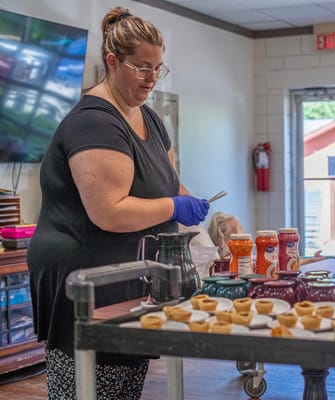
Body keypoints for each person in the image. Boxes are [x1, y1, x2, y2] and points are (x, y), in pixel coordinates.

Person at [26, 7, 210, 399]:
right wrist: (174, 208)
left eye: (158, 68)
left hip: (129, 272)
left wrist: (186, 199)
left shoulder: (151, 118)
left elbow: (168, 182)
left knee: (125, 381)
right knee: (91, 385)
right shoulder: (95, 122)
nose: (151, 78)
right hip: (86, 274)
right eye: (142, 68)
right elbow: (109, 211)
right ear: (112, 62)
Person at [207, 211, 324, 264]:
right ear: (226, 240)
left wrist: (311, 260)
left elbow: (281, 264)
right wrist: (311, 260)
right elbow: (280, 266)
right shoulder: (231, 262)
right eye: (239, 230)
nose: (245, 233)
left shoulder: (247, 258)